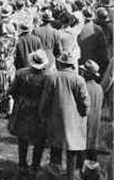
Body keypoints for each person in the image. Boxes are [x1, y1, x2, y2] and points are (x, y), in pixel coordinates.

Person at [39, 51, 90, 180]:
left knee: (55, 150)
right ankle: (70, 176)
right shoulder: (79, 80)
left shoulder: (52, 78)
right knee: (72, 152)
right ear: (73, 64)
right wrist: (83, 113)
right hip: (74, 121)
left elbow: (45, 100)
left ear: (60, 63)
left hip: (56, 120)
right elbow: (85, 102)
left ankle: (54, 175)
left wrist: (43, 114)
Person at [8, 50, 49, 178]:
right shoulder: (47, 78)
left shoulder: (21, 73)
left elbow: (12, 90)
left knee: (23, 137)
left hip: (23, 107)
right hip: (39, 109)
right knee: (39, 139)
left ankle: (22, 163)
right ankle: (35, 165)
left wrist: (19, 100)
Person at [79, 60, 103, 166]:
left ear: (88, 74)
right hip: (96, 119)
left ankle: (81, 168)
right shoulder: (99, 88)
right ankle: (93, 170)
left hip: (85, 119)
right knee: (93, 144)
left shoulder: (83, 86)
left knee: (82, 145)